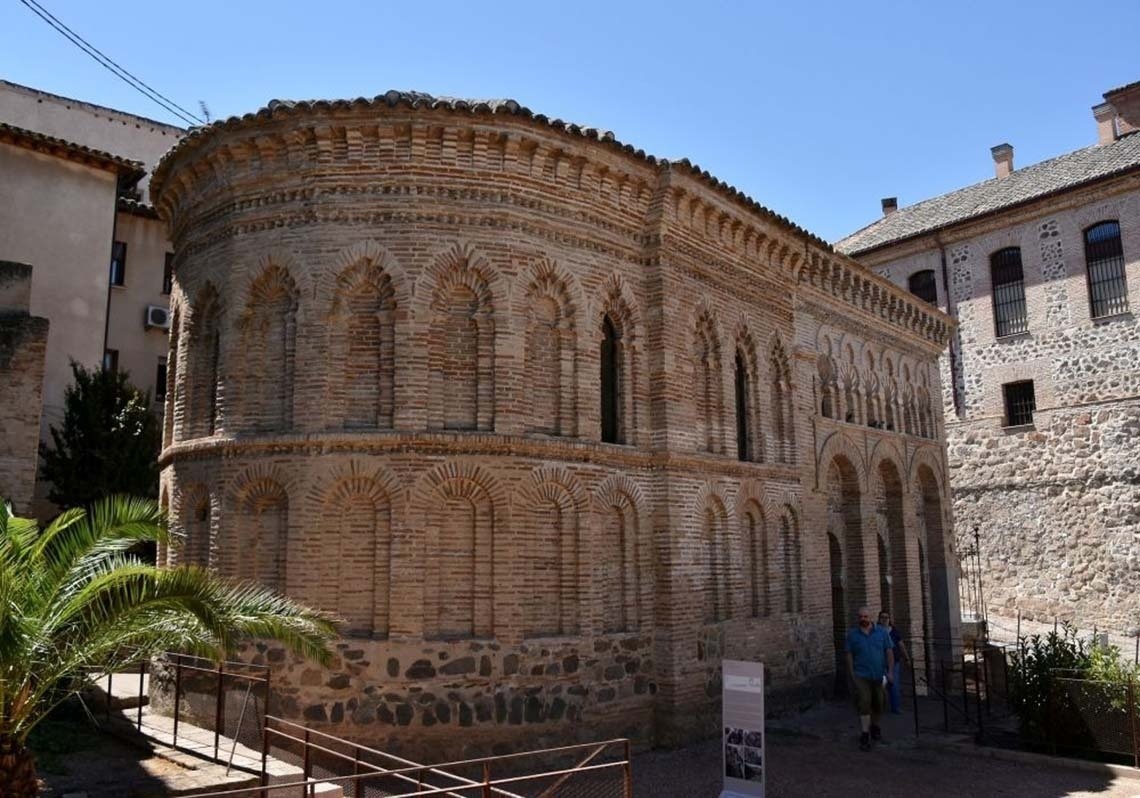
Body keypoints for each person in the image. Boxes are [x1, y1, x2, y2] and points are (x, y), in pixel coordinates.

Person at [845, 606, 894, 751]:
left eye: (865, 617)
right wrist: (852, 673)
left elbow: (889, 651)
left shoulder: (882, 633)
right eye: (860, 617)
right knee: (864, 702)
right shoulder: (852, 635)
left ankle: (875, 726)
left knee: (879, 702)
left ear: (871, 618)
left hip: (878, 674)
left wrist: (890, 672)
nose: (863, 619)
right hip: (861, 675)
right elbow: (848, 654)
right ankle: (865, 734)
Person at [877, 610, 910, 714]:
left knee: (894, 685)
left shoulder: (894, 631)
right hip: (880, 663)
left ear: (889, 619)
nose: (884, 619)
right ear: (879, 619)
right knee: (881, 684)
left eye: (886, 617)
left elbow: (901, 645)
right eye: (882, 617)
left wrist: (907, 658)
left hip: (894, 662)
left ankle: (896, 707)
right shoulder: (875, 631)